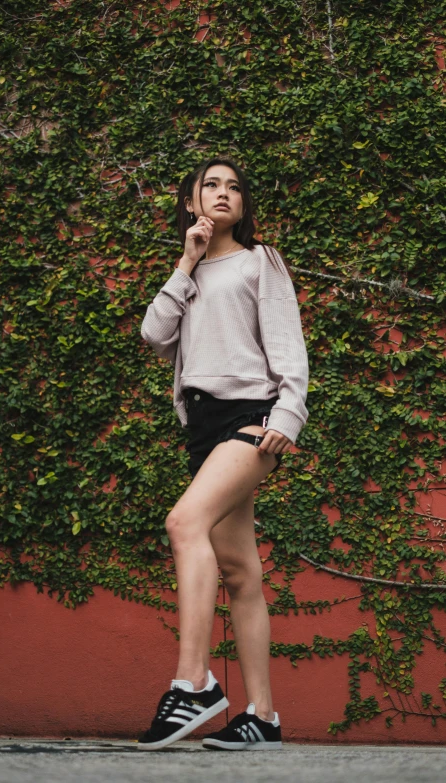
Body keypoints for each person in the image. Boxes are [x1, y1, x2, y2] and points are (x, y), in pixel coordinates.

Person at [137, 156, 309, 751]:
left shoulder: (259, 261)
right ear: (191, 201)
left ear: (243, 205)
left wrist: (288, 415)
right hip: (205, 428)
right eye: (211, 185)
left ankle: (194, 681)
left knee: (185, 521)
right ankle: (263, 716)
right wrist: (186, 260)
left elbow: (288, 342)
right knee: (240, 573)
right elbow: (154, 335)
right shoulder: (187, 275)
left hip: (251, 420)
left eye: (234, 187)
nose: (223, 193)